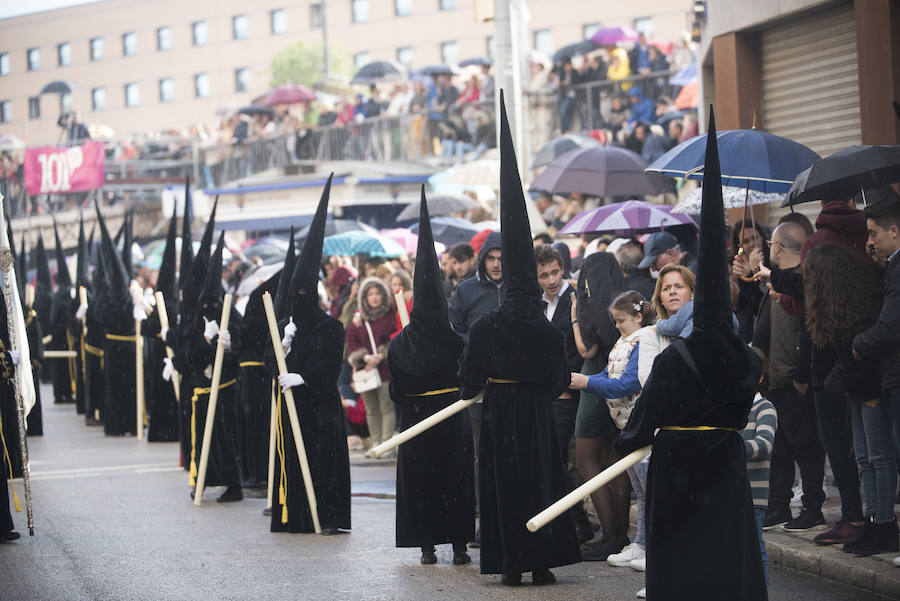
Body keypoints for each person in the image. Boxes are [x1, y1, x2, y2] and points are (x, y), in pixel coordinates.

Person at [615, 111, 768, 601]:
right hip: (723, 465)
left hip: (680, 467)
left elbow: (644, 419)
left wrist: (630, 442)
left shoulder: (675, 358)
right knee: (723, 557)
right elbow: (738, 411)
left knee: (683, 562)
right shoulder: (749, 360)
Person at [458, 94, 580, 585]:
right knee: (540, 482)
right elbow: (556, 380)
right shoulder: (546, 328)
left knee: (504, 485)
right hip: (534, 413)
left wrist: (483, 387)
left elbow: (469, 377)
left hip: (502, 411)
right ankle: (541, 561)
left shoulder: (487, 324)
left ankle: (510, 564)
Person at [749, 194, 867, 547]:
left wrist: (803, 375)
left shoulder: (817, 272)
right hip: (788, 376)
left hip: (806, 376)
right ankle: (787, 507)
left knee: (823, 448)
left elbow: (808, 325)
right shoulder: (795, 277)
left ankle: (835, 512)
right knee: (786, 446)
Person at [388, 190, 474, 565]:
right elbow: (468, 374)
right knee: (453, 481)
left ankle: (427, 545)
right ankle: (456, 545)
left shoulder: (400, 345)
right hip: (450, 415)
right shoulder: (455, 338)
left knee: (423, 481)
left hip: (417, 418)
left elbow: (396, 391)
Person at [268, 176, 351, 534]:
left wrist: (305, 377)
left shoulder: (331, 326)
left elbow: (330, 368)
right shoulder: (286, 324)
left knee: (323, 461)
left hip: (321, 409)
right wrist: (284, 346)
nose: (299, 299)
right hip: (294, 408)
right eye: (294, 294)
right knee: (296, 463)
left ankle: (328, 516)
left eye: (305, 293)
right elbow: (273, 367)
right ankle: (298, 515)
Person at [806, 244, 896, 556]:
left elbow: (856, 356)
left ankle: (883, 522)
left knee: (878, 456)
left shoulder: (853, 308)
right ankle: (874, 520)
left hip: (872, 387)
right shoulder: (841, 305)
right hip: (860, 388)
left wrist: (832, 384)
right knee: (863, 457)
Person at [570, 291, 656, 577]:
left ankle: (652, 547)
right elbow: (608, 376)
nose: (617, 326)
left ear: (638, 317)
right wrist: (583, 381)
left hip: (641, 426)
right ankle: (641, 543)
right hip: (625, 427)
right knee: (641, 492)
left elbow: (628, 383)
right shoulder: (623, 342)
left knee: (650, 491)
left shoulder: (645, 341)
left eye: (621, 321)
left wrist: (586, 383)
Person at [749, 223, 825, 532]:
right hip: (774, 376)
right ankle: (779, 506)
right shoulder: (778, 281)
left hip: (794, 376)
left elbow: (809, 330)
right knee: (778, 447)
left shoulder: (802, 282)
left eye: (771, 244)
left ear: (778, 247)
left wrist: (801, 374)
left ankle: (813, 507)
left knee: (805, 446)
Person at [571, 252, 631, 561]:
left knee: (586, 460)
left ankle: (609, 535)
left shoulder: (590, 306)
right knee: (614, 458)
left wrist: (574, 316)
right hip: (620, 380)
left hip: (594, 377)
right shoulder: (627, 304)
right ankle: (620, 534)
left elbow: (586, 347)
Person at [535, 244, 593, 543]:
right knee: (549, 458)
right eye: (544, 275)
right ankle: (567, 523)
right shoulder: (534, 303)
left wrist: (565, 383)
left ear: (563, 269)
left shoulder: (575, 299)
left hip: (568, 391)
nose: (551, 280)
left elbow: (580, 348)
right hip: (540, 394)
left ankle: (580, 522)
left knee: (558, 460)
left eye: (555, 272)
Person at [739, 362, 778, 592]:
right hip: (730, 491)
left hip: (754, 493)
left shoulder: (765, 408)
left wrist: (729, 445)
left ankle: (759, 593)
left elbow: (763, 445)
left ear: (760, 378)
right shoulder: (731, 409)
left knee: (755, 548)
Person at [346, 277, 395, 449]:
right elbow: (351, 339)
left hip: (385, 369)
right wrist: (366, 358)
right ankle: (376, 443)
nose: (374, 297)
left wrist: (381, 354)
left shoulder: (390, 316)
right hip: (364, 369)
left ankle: (387, 445)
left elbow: (395, 336)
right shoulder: (359, 319)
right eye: (370, 294)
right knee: (371, 409)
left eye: (377, 293)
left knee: (387, 407)